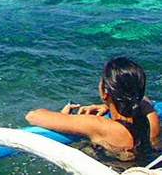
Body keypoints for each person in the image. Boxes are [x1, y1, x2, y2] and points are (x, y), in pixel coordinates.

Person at [26, 57, 160, 165]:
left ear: (105, 93)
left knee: (83, 148)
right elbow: (144, 99)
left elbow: (33, 116)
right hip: (149, 163)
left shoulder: (99, 125)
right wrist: (108, 105)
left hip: (116, 169)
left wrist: (61, 116)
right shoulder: (151, 117)